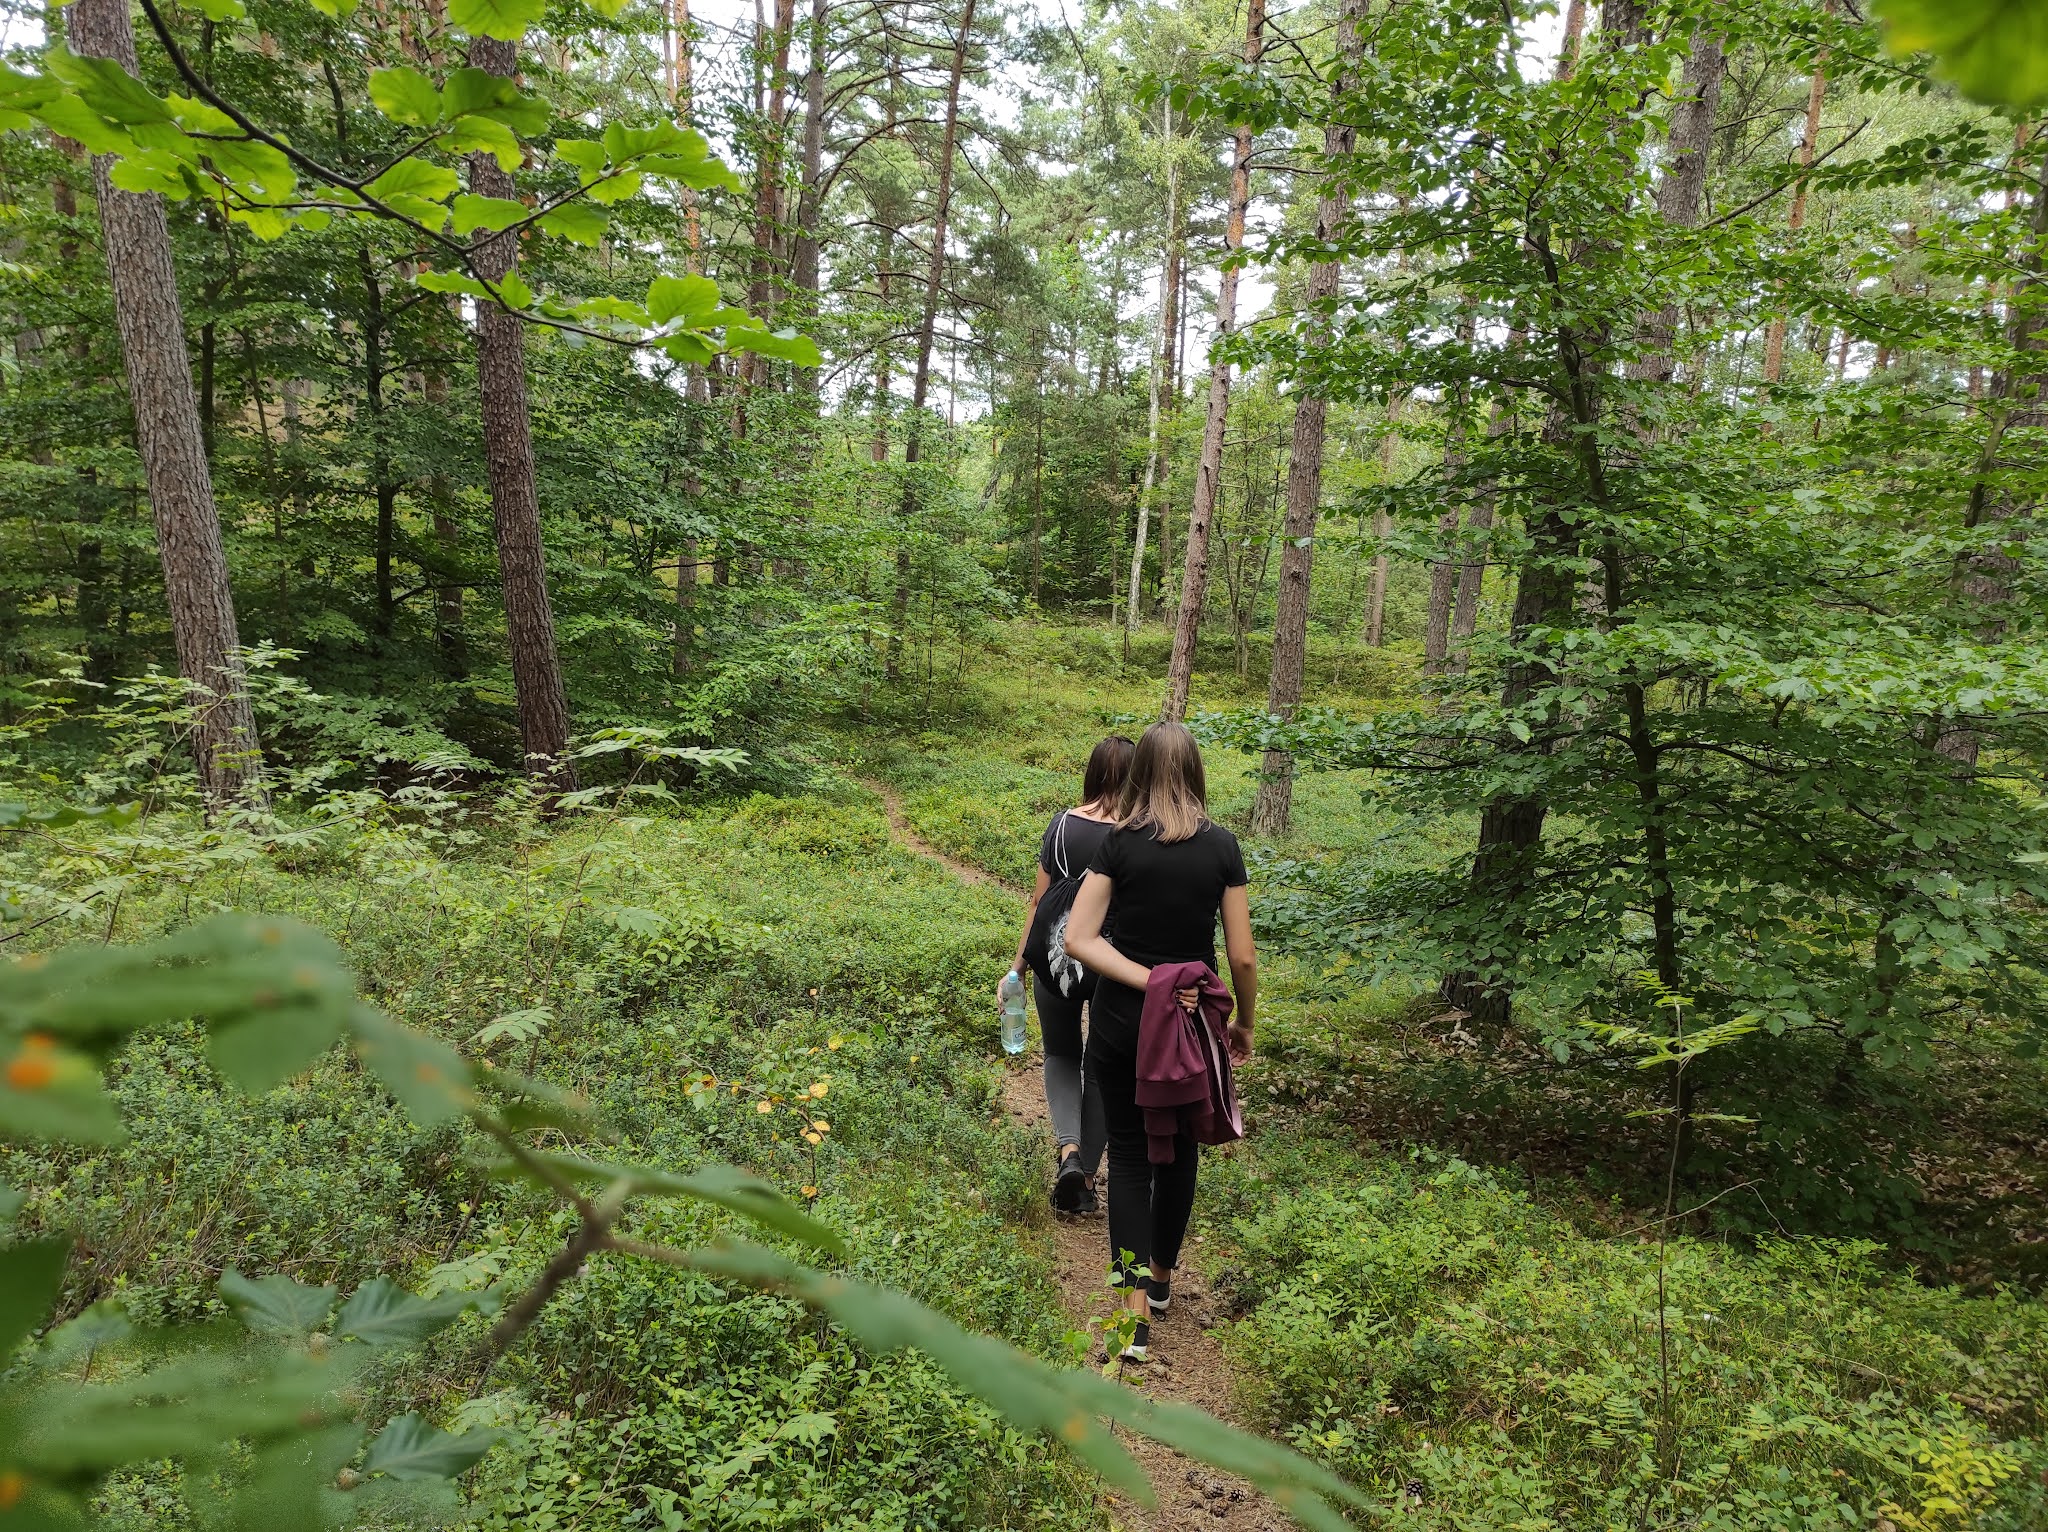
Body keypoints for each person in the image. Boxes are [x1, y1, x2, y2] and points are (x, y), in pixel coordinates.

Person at [1063, 722, 1256, 1362]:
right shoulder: (1223, 848)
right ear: (1198, 772)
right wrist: (1241, 1021)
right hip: (1193, 1024)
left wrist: (1147, 981)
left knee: (1128, 1154)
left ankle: (1133, 1314)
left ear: (1140, 773)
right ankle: (1164, 1278)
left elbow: (1080, 939)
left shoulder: (1118, 846)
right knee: (1178, 1149)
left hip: (1122, 1021)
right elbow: (1243, 958)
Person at [1006, 735, 1134, 1214]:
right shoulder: (1137, 833)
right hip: (1111, 963)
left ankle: (1069, 1151)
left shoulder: (1061, 825)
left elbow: (1039, 902)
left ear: (1093, 772)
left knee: (1061, 1052)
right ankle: (1084, 1179)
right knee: (1101, 1068)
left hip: (1054, 958)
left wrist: (1017, 969)